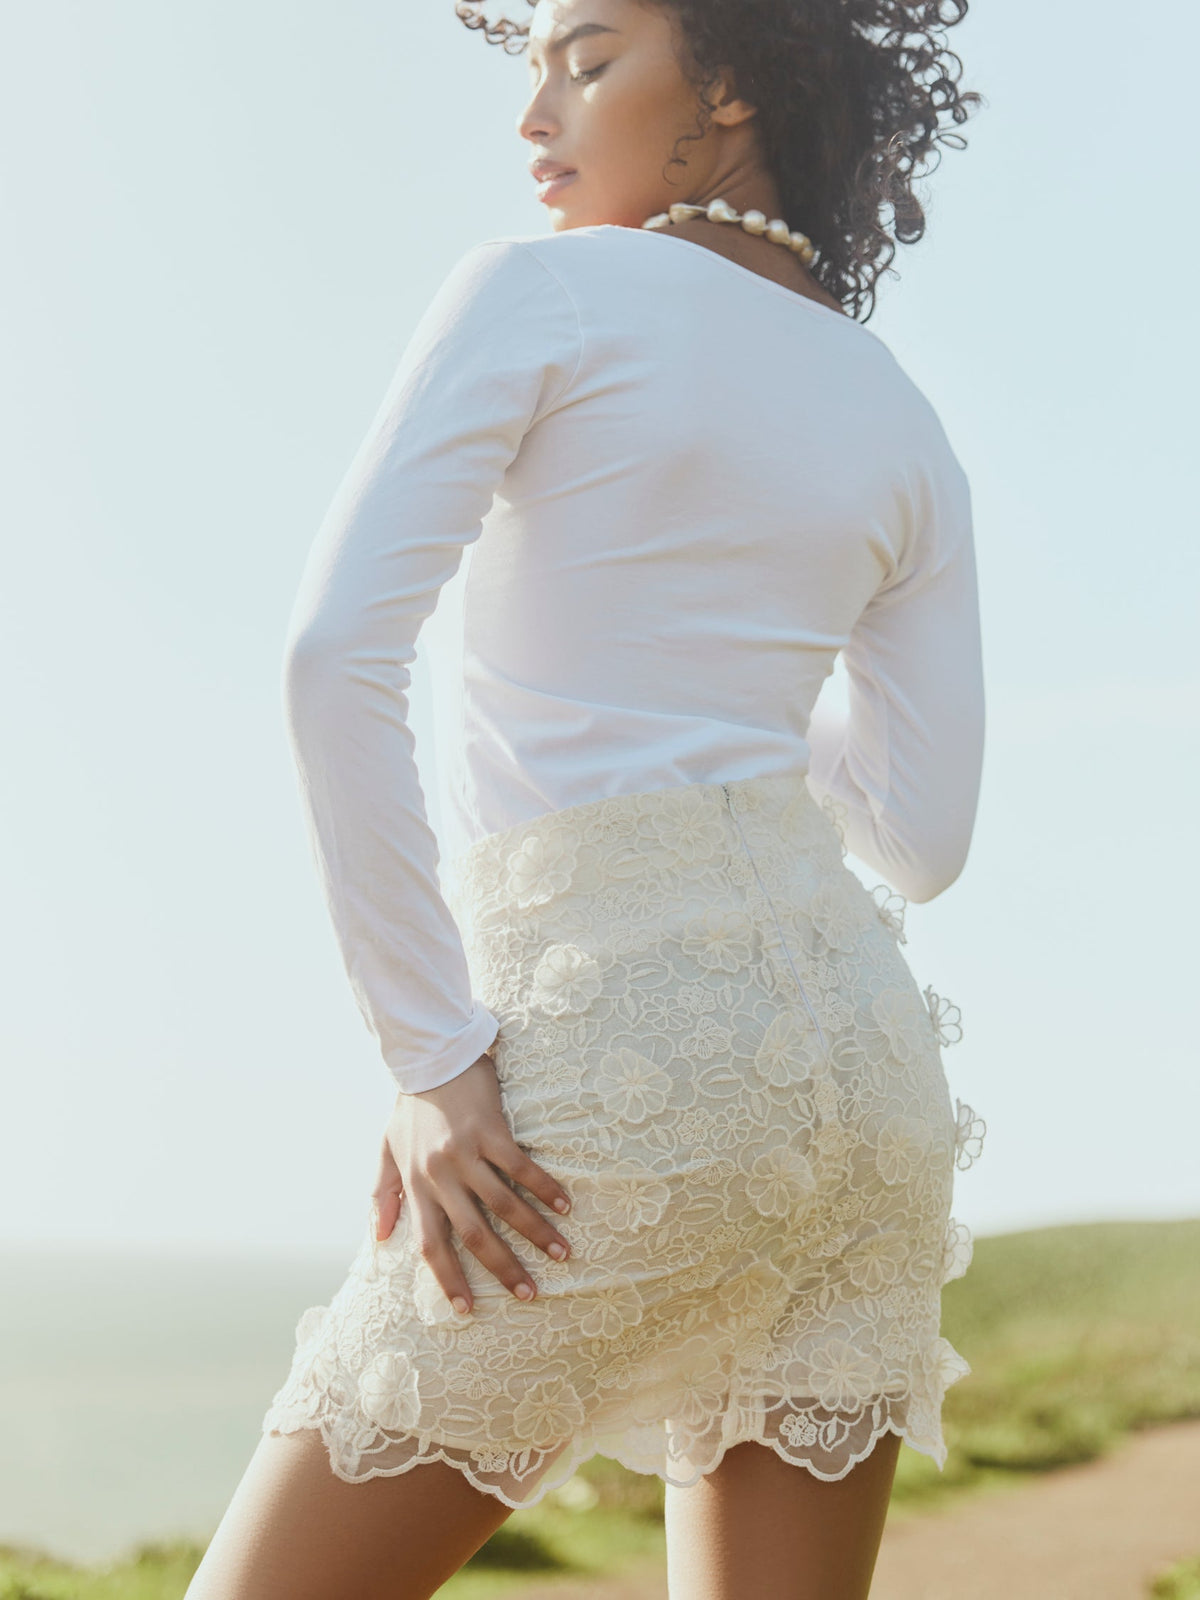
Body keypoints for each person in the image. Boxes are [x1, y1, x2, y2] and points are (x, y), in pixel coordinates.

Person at [184, 0, 988, 1594]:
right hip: (870, 1087)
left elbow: (334, 654)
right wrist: (747, 663)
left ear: (735, 80)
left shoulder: (541, 290)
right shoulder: (898, 410)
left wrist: (430, 1054)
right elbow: (923, 836)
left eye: (590, 54)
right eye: (536, 62)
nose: (535, 108)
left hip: (618, 1068)